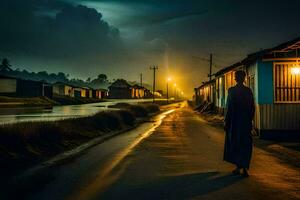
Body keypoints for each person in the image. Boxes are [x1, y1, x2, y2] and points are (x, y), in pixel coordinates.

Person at [223, 70, 255, 177]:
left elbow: (228, 108)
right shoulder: (248, 91)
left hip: (234, 123)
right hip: (245, 122)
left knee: (235, 143)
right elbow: (252, 108)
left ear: (236, 79)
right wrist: (250, 121)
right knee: (245, 144)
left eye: (236, 77)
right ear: (244, 78)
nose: (236, 78)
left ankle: (238, 167)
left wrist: (226, 122)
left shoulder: (232, 91)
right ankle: (244, 168)